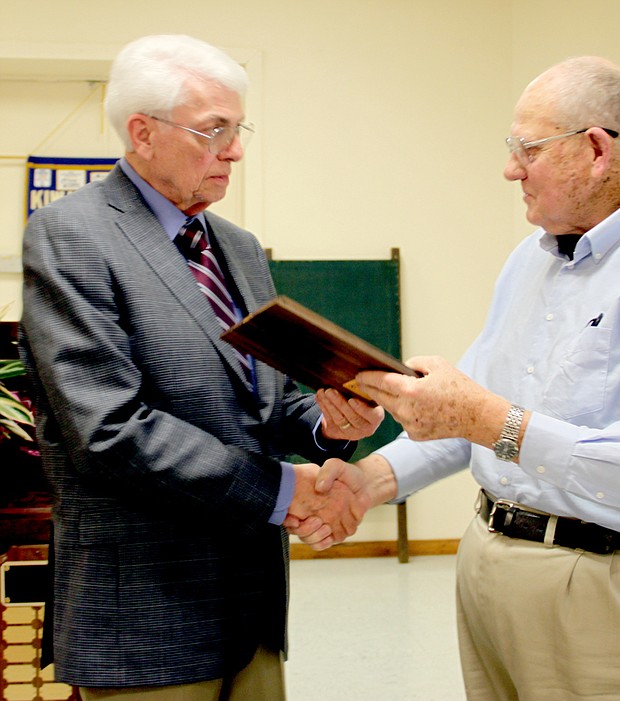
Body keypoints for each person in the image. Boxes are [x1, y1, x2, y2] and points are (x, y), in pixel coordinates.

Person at [291, 56, 620, 700]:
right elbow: (468, 416)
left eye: (527, 149)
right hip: (500, 579)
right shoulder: (532, 258)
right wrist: (368, 481)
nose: (510, 169)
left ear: (596, 149)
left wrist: (484, 419)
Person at [20, 34, 381, 700]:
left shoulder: (236, 248)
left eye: (238, 128)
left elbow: (263, 404)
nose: (237, 149)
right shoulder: (71, 234)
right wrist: (285, 490)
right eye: (214, 130)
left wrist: (330, 425)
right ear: (142, 132)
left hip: (252, 611)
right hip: (147, 616)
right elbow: (108, 430)